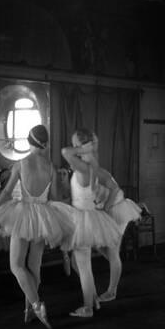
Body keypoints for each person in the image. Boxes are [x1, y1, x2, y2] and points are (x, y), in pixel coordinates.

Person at [0, 125, 74, 329]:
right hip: (43, 218)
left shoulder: (21, 164)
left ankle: (37, 306)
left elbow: (7, 192)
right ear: (45, 144)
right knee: (34, 266)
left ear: (29, 141)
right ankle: (29, 311)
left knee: (16, 266)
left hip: (23, 216)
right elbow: (55, 198)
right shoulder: (51, 167)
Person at [61, 130, 122, 317]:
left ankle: (88, 307)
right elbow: (114, 188)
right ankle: (93, 299)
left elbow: (65, 152)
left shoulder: (82, 167)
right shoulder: (96, 168)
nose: (74, 147)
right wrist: (106, 207)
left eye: (76, 143)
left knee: (83, 266)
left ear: (82, 145)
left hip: (81, 219)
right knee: (80, 263)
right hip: (92, 217)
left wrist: (82, 148)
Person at [76, 136, 142, 301]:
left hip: (117, 209)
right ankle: (115, 266)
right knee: (101, 246)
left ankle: (112, 291)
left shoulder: (98, 171)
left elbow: (115, 189)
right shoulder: (88, 172)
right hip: (108, 209)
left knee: (112, 251)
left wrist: (104, 208)